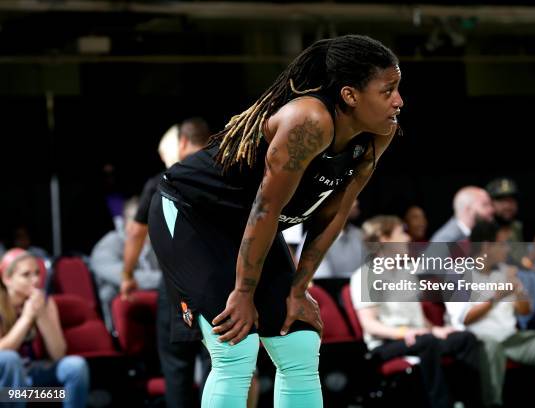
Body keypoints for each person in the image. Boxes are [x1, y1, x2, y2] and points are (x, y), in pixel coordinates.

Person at [148, 34, 403, 407]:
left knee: (300, 344)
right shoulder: (309, 121)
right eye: (388, 91)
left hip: (249, 225)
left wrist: (299, 290)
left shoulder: (379, 132)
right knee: (235, 346)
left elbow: (335, 212)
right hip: (191, 214)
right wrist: (243, 293)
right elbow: (265, 209)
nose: (399, 101)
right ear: (350, 95)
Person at [120, 118, 214, 408]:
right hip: (218, 289)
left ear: (182, 143)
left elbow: (136, 232)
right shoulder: (224, 177)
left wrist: (127, 274)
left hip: (177, 292)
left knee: (177, 368)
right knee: (219, 368)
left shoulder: (163, 179)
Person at [351, 215, 482, 408]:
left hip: (419, 337)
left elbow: (418, 318)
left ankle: (471, 401)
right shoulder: (364, 276)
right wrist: (405, 332)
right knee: (427, 342)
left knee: (465, 338)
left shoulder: (407, 273)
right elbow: (369, 324)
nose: (407, 238)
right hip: (388, 344)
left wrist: (436, 329)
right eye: (401, 233)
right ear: (384, 239)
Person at [446, 221, 535, 408]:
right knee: (492, 348)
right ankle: (493, 403)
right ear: (486, 246)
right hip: (477, 340)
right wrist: (495, 298)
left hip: (509, 338)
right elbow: (464, 318)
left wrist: (518, 289)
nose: (507, 248)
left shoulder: (504, 271)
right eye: (502, 243)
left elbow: (525, 311)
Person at [0, 248, 89, 408]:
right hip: (5, 391)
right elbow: (2, 353)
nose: (35, 280)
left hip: (33, 388)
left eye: (37, 273)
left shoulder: (44, 303)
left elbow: (58, 353)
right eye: (26, 275)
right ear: (7, 279)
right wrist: (26, 318)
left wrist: (42, 316)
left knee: (75, 366)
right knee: (9, 359)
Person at [90, 197, 162, 330]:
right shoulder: (109, 244)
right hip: (116, 318)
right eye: (142, 219)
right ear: (127, 222)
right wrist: (168, 280)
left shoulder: (152, 246)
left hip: (149, 314)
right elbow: (127, 279)